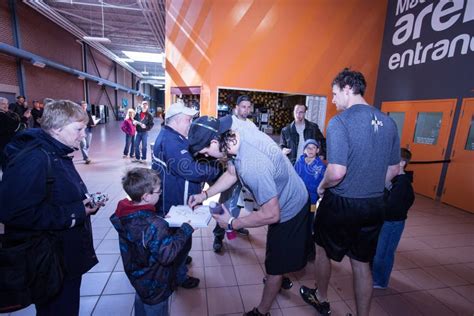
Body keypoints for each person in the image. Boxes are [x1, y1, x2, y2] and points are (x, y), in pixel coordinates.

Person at [187, 115, 312, 316]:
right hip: (284, 197)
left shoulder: (252, 165)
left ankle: (262, 310)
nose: (207, 156)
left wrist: (232, 222)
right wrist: (204, 194)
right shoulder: (237, 136)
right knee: (275, 252)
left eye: (205, 151)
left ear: (214, 142)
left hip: (291, 208)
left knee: (274, 265)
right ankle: (279, 275)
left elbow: (272, 215)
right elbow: (231, 174)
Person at [299, 68, 400, 316]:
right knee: (361, 262)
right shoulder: (388, 122)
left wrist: (321, 187)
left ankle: (321, 298)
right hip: (374, 204)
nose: (333, 100)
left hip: (342, 203)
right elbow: (394, 169)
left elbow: (336, 172)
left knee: (322, 250)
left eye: (334, 94)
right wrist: (371, 186)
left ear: (347, 88)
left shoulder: (340, 122)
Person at [0, 100, 102, 315]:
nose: (83, 135)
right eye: (79, 129)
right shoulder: (35, 158)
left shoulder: (55, 152)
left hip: (63, 256)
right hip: (51, 261)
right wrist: (75, 212)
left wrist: (82, 205)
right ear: (57, 128)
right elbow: (15, 212)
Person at [152, 102, 220, 289]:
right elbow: (189, 169)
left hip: (174, 197)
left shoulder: (174, 136)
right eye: (189, 119)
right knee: (181, 236)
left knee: (178, 238)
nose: (191, 123)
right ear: (177, 120)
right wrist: (215, 170)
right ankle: (179, 275)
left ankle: (179, 260)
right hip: (175, 202)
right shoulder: (171, 141)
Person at [110, 167, 194, 316]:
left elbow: (141, 232)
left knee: (141, 303)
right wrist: (186, 230)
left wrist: (159, 221)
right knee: (156, 310)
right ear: (146, 197)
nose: (160, 193)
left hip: (137, 275)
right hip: (155, 282)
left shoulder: (124, 213)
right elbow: (168, 255)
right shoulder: (154, 225)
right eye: (158, 191)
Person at [212, 95, 257, 253]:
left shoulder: (251, 126)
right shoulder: (228, 121)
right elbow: (215, 138)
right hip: (231, 169)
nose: (245, 109)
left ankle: (235, 225)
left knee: (239, 202)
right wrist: (225, 158)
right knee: (225, 202)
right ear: (236, 107)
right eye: (243, 106)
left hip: (245, 169)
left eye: (248, 107)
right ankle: (218, 236)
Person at [372, 148, 415, 289]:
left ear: (402, 163)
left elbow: (393, 205)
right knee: (379, 251)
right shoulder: (395, 179)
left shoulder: (402, 183)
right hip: (386, 221)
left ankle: (381, 281)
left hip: (392, 223)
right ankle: (376, 276)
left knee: (383, 254)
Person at [294, 139, 326, 211]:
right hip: (299, 195)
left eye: (313, 147)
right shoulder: (298, 163)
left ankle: (312, 220)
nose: (310, 149)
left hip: (314, 196)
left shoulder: (321, 166)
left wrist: (321, 192)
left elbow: (324, 181)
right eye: (308, 147)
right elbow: (294, 178)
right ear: (304, 150)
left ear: (317, 150)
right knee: (299, 212)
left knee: (312, 212)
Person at [0, 97, 23, 170]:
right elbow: (14, 127)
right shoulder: (2, 116)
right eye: (3, 104)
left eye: (7, 103)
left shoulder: (5, 115)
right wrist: (25, 118)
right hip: (4, 145)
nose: (6, 105)